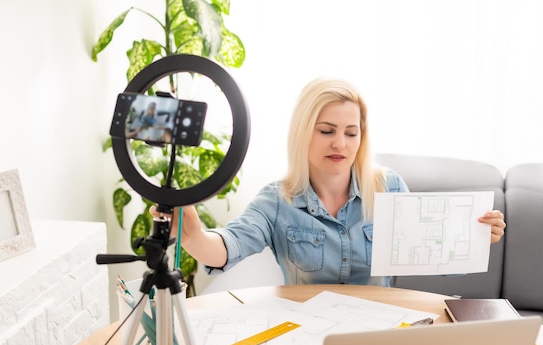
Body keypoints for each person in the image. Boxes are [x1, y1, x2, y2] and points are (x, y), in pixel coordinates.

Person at [152, 78, 506, 286]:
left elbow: (432, 256)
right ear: (304, 133)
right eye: (327, 131)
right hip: (307, 337)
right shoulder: (277, 200)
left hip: (377, 334)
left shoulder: (390, 188)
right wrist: (193, 235)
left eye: (351, 133)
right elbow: (227, 247)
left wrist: (475, 236)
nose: (340, 144)